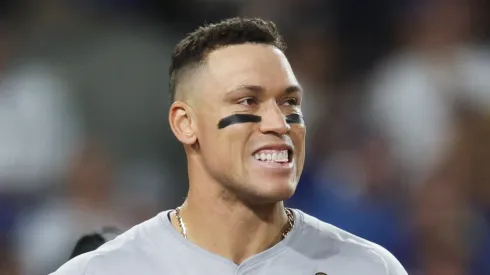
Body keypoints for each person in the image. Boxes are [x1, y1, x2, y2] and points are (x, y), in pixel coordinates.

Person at [50, 17, 407, 275]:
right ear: (185, 124)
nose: (280, 123)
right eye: (248, 101)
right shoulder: (102, 271)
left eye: (290, 103)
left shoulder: (368, 267)